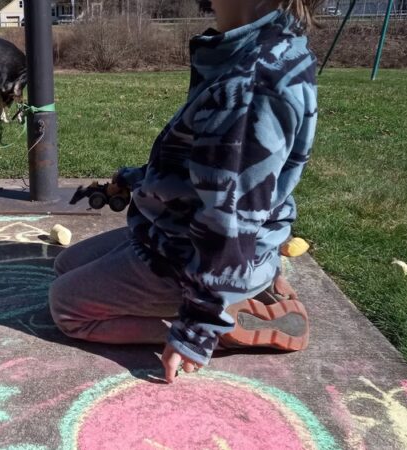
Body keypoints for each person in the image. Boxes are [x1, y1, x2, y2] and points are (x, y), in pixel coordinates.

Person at [49, 0, 321, 384]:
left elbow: (229, 217)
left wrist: (197, 328)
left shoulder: (249, 85)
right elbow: (205, 169)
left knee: (67, 307)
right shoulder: (263, 48)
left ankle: (228, 325)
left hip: (194, 258)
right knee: (64, 265)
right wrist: (136, 179)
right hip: (185, 237)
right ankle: (252, 285)